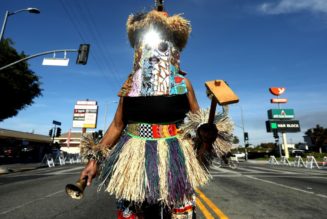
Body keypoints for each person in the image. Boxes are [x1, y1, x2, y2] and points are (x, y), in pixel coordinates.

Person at [79, 6, 233, 219]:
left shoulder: (182, 83)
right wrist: (94, 160)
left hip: (175, 156)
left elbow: (198, 121)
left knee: (179, 211)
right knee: (133, 211)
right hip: (133, 156)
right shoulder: (130, 84)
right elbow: (117, 125)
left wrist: (207, 132)